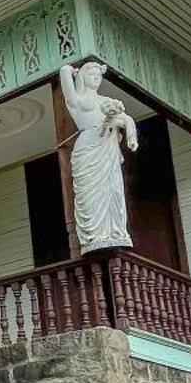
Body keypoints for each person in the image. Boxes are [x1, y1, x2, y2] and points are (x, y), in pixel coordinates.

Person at [59, 60, 137, 252]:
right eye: (91, 74)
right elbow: (64, 75)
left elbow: (124, 118)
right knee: (89, 192)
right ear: (83, 77)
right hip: (88, 145)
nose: (96, 78)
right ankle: (94, 237)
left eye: (98, 75)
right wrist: (69, 70)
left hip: (107, 146)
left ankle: (114, 232)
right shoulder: (76, 99)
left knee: (112, 189)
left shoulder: (106, 100)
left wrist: (129, 130)